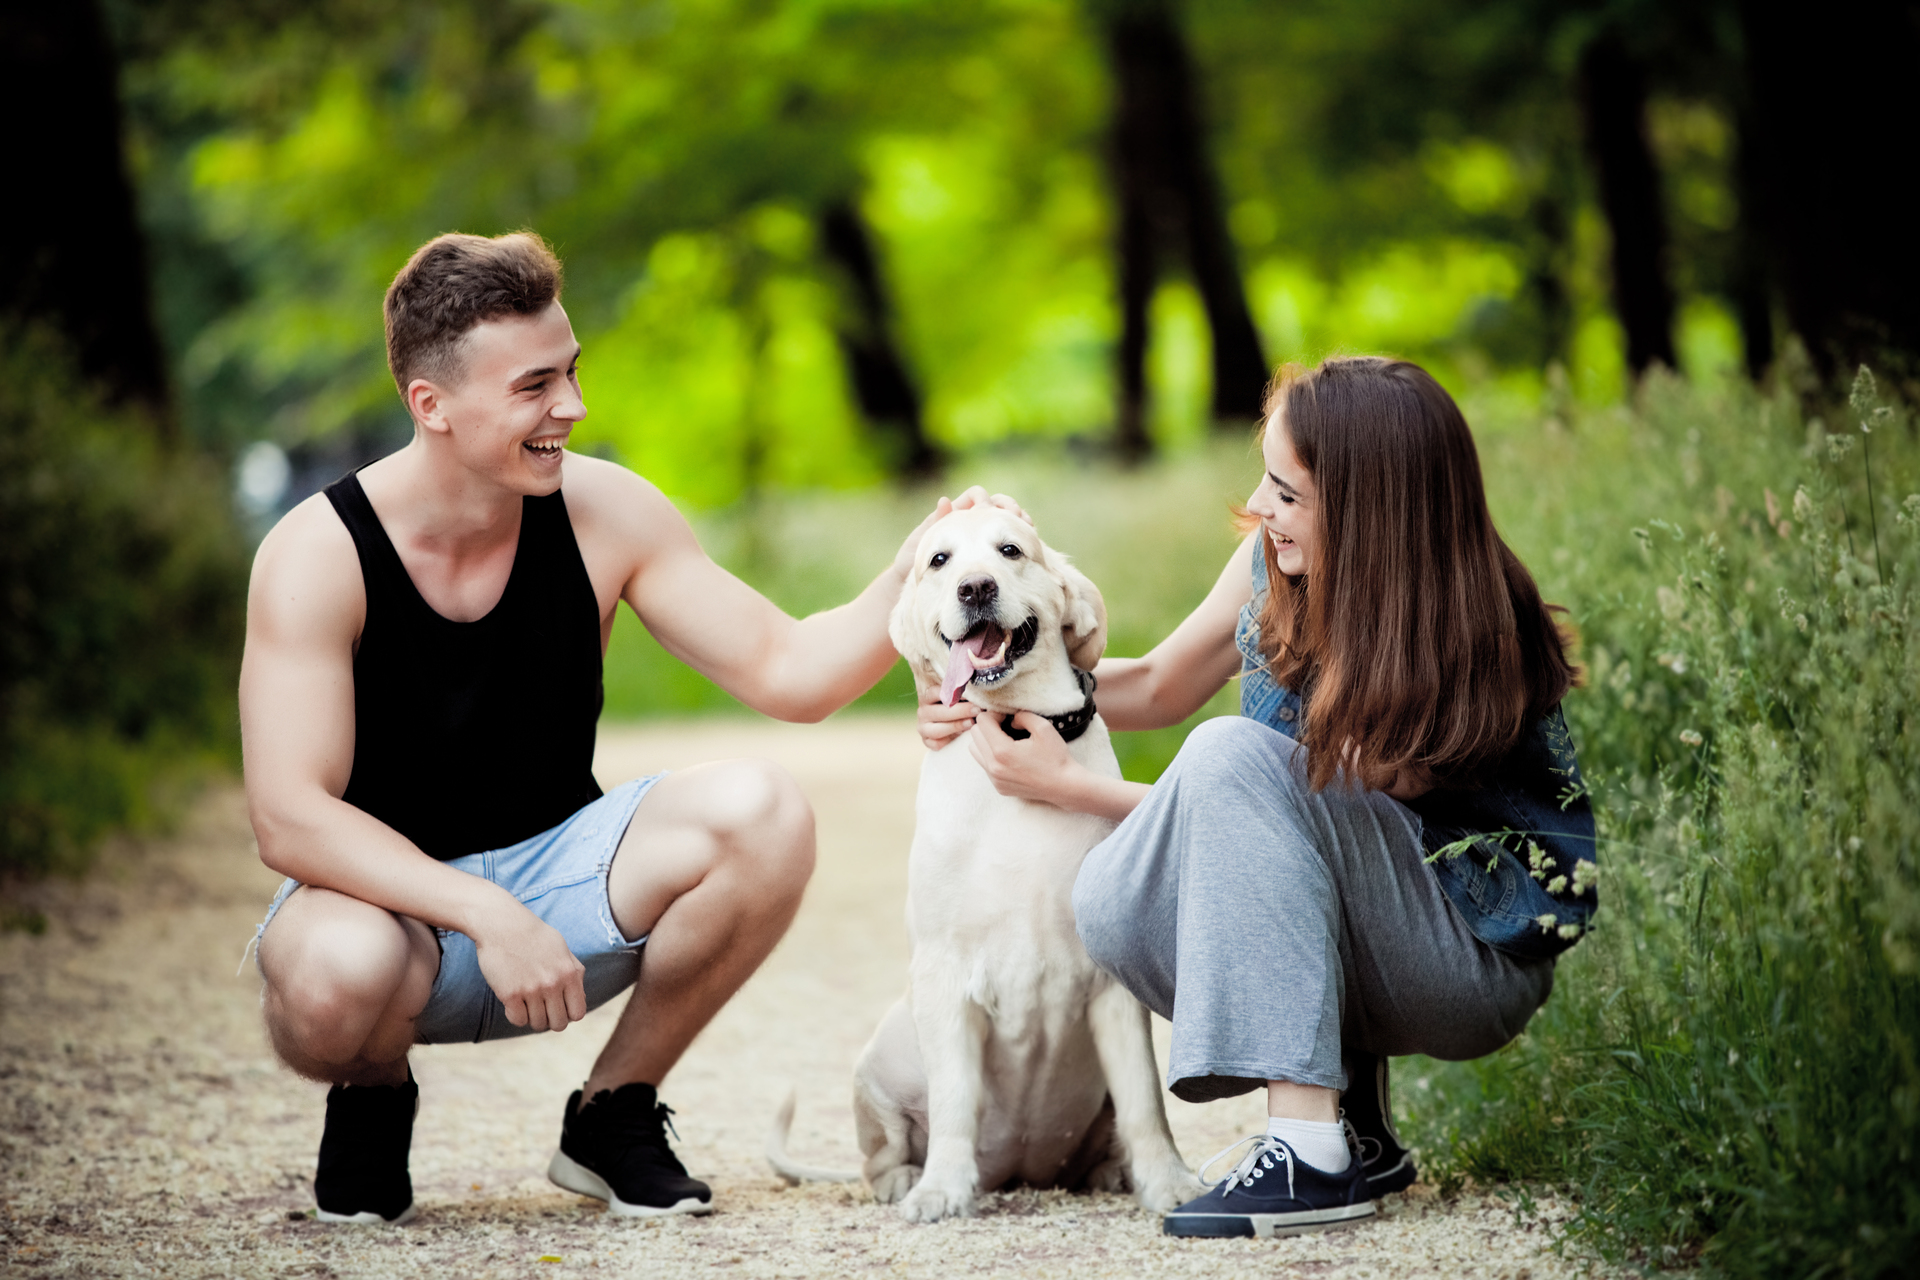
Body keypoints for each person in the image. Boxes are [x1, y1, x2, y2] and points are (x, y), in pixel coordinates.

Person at [242, 230, 1005, 1225]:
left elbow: (791, 667)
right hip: (386, 914)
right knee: (334, 976)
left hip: (562, 871)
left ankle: (613, 1112)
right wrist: (483, 913)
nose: (572, 406)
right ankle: (374, 1095)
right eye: (535, 386)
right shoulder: (316, 551)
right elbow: (289, 817)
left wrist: (921, 563)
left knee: (763, 811)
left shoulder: (604, 510)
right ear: (432, 405)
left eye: (571, 372)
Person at [920, 356, 1597, 1238]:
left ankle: (1306, 1151)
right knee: (1113, 900)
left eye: (1288, 492)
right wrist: (1005, 682)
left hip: (1464, 960)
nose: (1262, 507)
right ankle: (1356, 1129)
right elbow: (1163, 682)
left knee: (1234, 758)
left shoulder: (1457, 619)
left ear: (1369, 509)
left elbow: (1291, 812)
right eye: (1265, 478)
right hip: (1375, 914)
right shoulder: (1273, 560)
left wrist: (1076, 787)